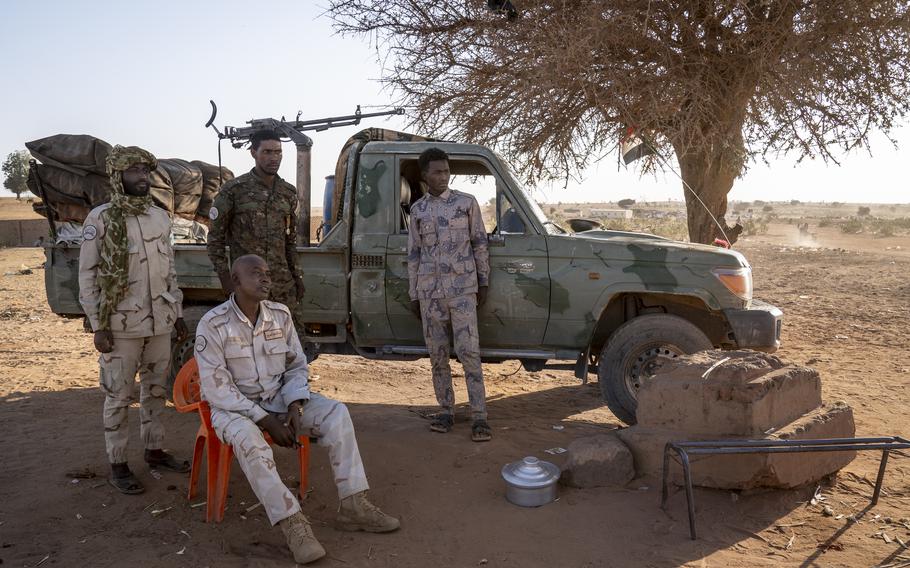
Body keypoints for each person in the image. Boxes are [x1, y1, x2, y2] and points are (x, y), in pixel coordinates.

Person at [194, 254, 399, 565]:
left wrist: (294, 405)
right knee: (251, 443)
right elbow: (216, 389)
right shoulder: (213, 324)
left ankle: (354, 505)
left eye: (267, 273)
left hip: (278, 398)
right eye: (255, 273)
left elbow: (295, 366)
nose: (265, 279)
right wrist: (263, 419)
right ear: (235, 281)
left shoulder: (280, 315)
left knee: (336, 413)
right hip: (232, 408)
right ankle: (294, 525)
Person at [78, 145, 189, 494]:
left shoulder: (159, 217)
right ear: (118, 175)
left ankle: (154, 451)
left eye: (146, 171)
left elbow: (169, 269)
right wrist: (99, 325)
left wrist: (179, 314)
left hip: (160, 323)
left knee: (156, 390)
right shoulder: (101, 218)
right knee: (118, 396)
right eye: (135, 171)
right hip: (121, 327)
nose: (143, 177)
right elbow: (88, 276)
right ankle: (119, 464)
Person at [407, 147, 492, 442]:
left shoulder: (466, 204)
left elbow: (480, 242)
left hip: (463, 292)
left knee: (470, 353)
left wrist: (482, 282)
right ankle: (446, 411)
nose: (443, 176)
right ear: (425, 175)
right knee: (438, 356)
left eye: (446, 170)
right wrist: (414, 294)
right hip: (430, 293)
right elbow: (415, 254)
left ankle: (479, 416)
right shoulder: (417, 211)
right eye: (437, 172)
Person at [206, 129, 306, 330]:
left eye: (278, 152)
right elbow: (215, 240)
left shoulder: (287, 193)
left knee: (290, 346)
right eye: (267, 152)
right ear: (253, 152)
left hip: (282, 286)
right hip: (248, 287)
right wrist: (226, 279)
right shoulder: (234, 190)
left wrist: (297, 278)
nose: (274, 158)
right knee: (250, 343)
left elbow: (290, 241)